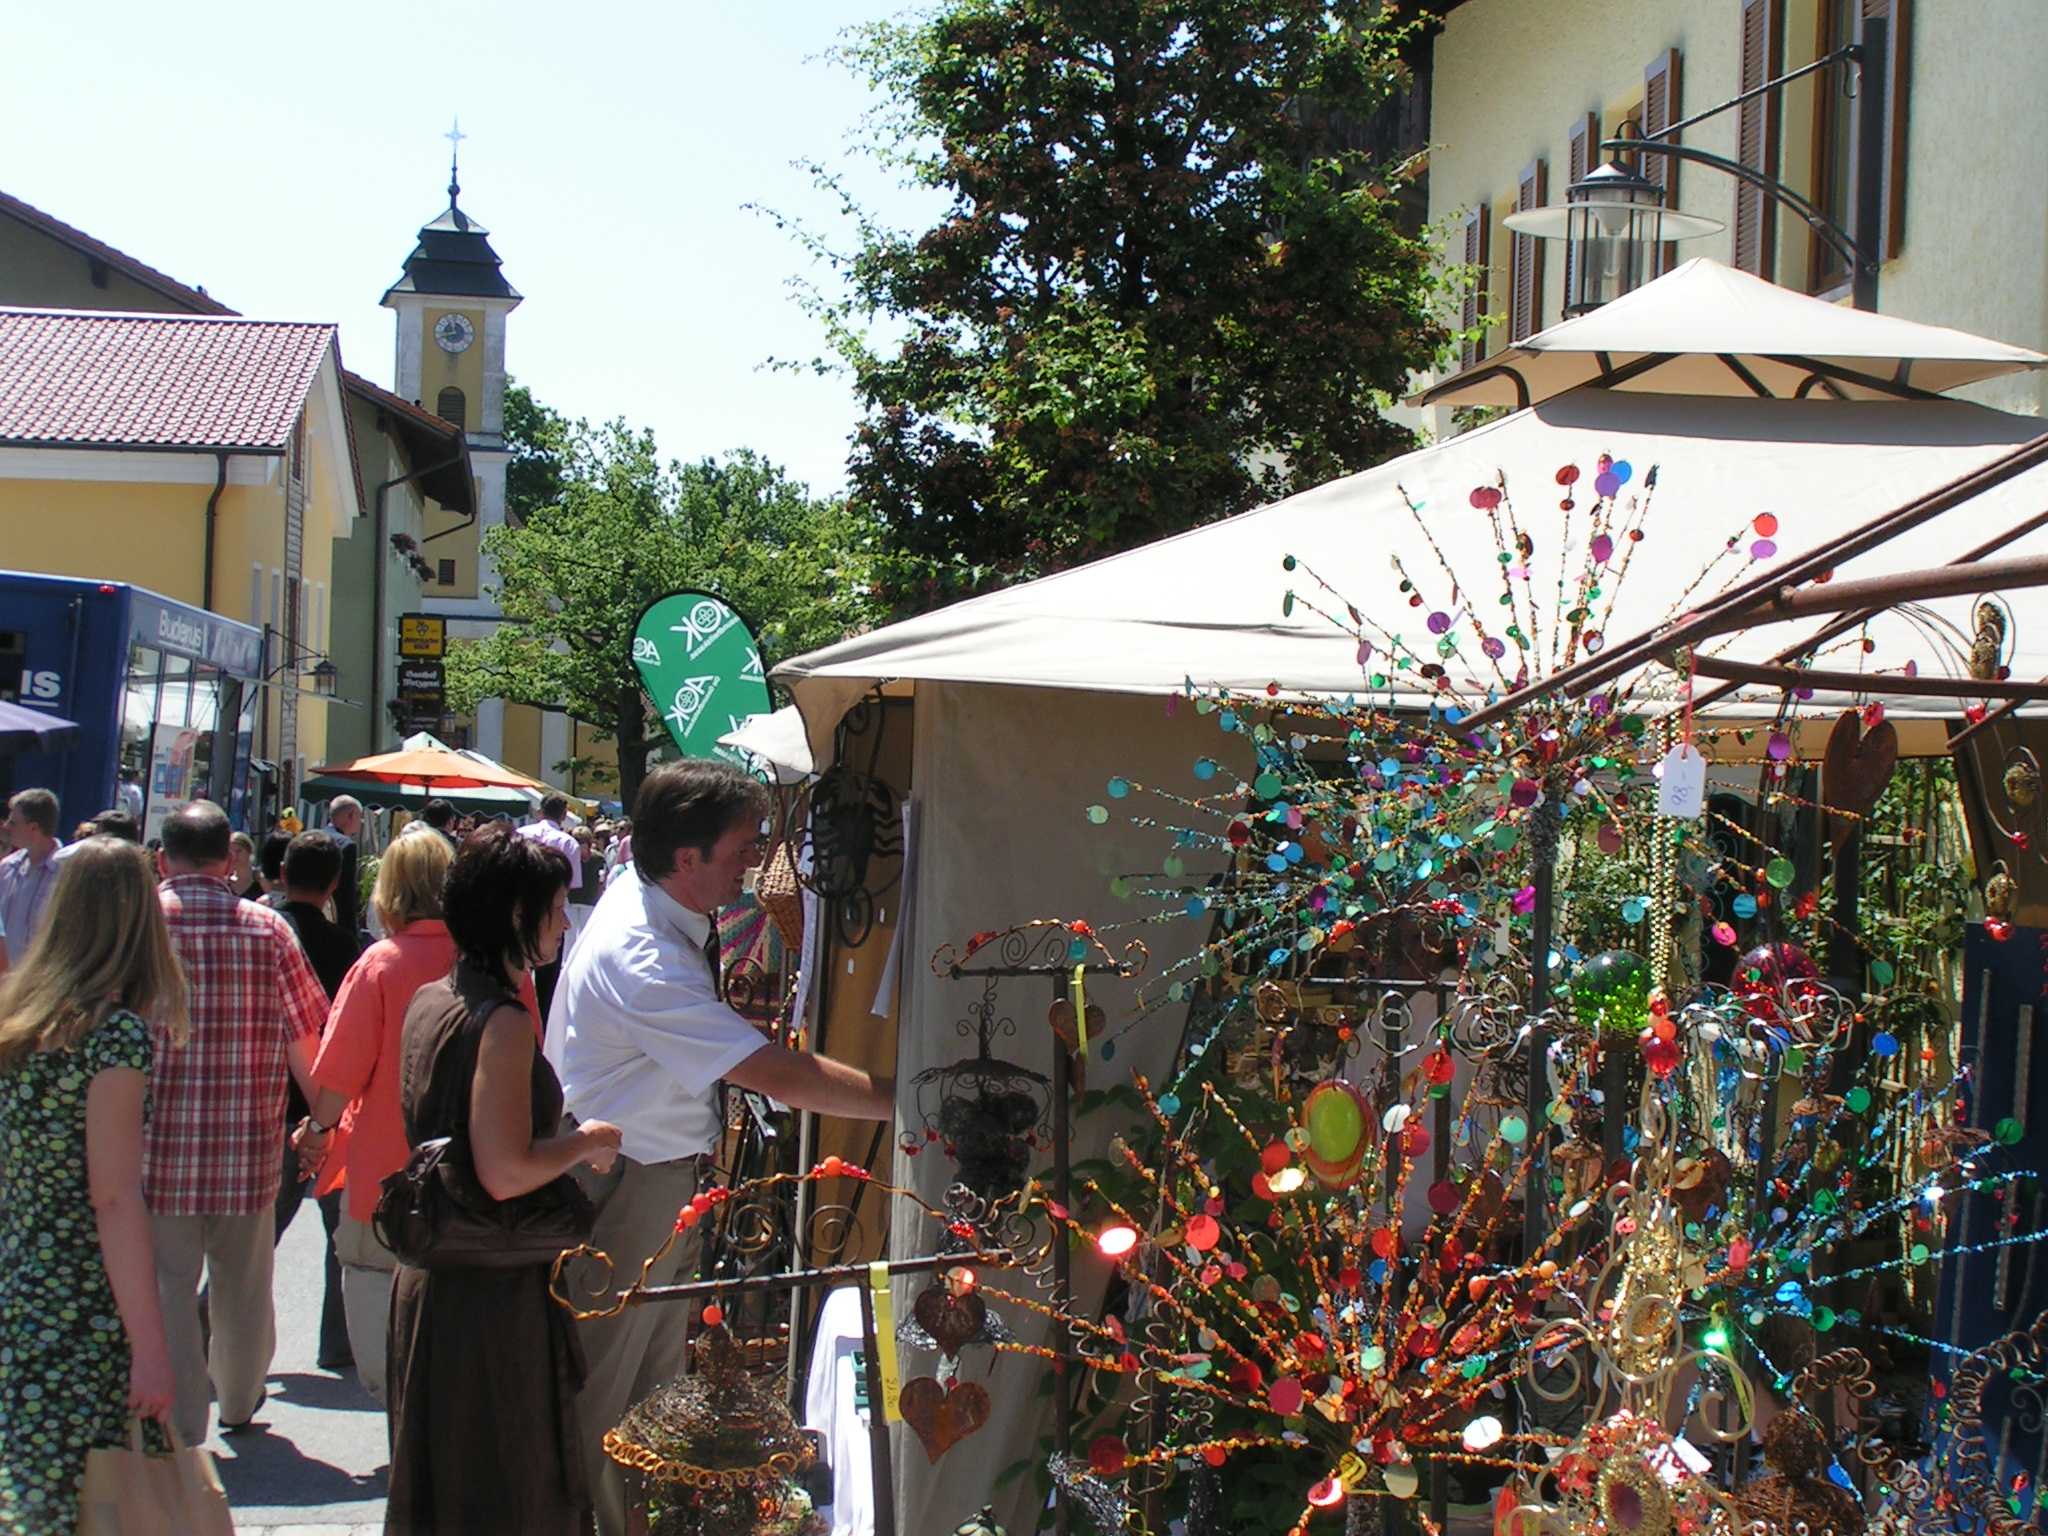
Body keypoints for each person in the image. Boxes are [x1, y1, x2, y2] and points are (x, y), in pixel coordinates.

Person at [551, 761, 894, 1536]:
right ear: (686, 859)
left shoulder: (659, 913)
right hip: (626, 1188)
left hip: (651, 1179)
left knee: (648, 1397)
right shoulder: (644, 956)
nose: (756, 860)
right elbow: (772, 1071)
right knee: (605, 1397)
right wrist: (899, 1096)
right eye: (744, 845)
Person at [385, 824, 620, 1534]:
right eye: (553, 909)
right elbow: (505, 1169)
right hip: (485, 1295)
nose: (561, 923)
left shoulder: (435, 997)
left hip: (439, 1280)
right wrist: (584, 1143)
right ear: (518, 916)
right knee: (500, 1488)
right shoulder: (504, 1020)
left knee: (448, 1488)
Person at [0, 838, 184, 1532]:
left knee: (32, 1485)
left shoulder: (19, 1024)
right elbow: (112, 1197)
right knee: (88, 1498)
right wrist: (150, 1345)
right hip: (84, 1306)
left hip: (20, 1289)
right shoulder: (115, 1039)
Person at [150, 802, 331, 1442]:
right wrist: (323, 1122)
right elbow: (308, 1036)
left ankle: (181, 1417)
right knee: (244, 1287)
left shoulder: (138, 928)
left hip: (159, 1149)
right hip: (247, 1146)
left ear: (161, 858)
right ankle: (237, 1400)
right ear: (230, 859)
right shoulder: (268, 930)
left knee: (169, 1284)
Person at [297, 830, 455, 1405]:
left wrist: (315, 1133)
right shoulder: (491, 959)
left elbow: (336, 1079)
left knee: (382, 1331)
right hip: (470, 1180)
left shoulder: (378, 966)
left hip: (383, 1179)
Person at [270, 831, 359, 1371]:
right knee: (337, 1235)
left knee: (259, 1235)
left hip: (271, 1102)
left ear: (282, 873)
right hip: (326, 1103)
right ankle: (338, 1341)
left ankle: (209, 1323)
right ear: (332, 886)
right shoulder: (344, 947)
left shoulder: (262, 929)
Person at [518, 793, 582, 1017]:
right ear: (564, 815)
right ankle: (543, 1023)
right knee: (548, 980)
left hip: (520, 910)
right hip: (551, 914)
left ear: (540, 811)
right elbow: (572, 885)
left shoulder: (520, 835)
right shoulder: (568, 842)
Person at [0, 788, 62, 969]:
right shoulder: (6, 869)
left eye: (13, 822)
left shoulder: (67, 873)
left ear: (33, 828)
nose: (6, 827)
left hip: (40, 988)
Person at [325, 795, 364, 940]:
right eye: (360, 816)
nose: (361, 821)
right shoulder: (347, 846)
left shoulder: (312, 836)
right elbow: (346, 893)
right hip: (337, 922)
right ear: (351, 815)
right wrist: (352, 933)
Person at [228, 830, 261, 901]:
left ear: (249, 851)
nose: (234, 856)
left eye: (238, 851)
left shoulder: (260, 880)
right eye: (230, 852)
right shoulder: (226, 882)